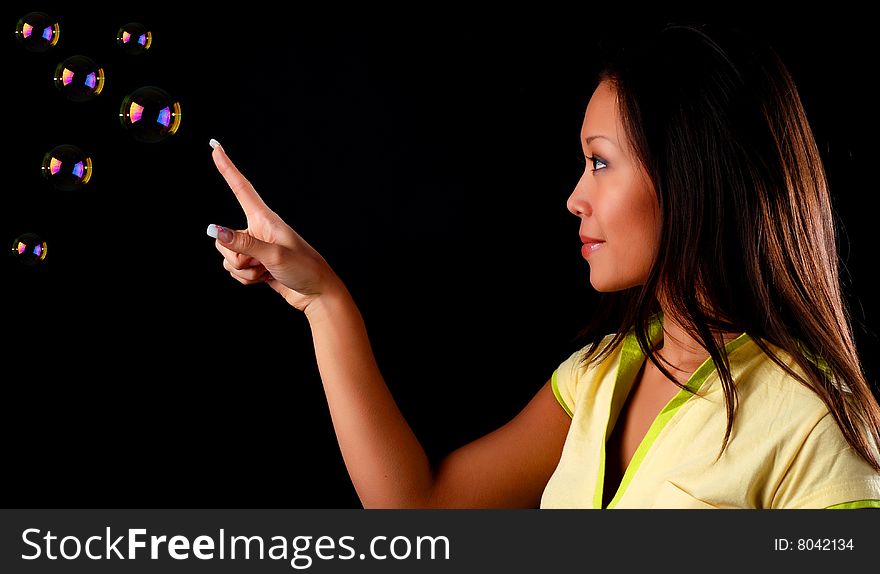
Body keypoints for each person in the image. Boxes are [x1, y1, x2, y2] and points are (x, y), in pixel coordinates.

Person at [204, 22, 880, 508]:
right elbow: (419, 515)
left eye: (600, 160)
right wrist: (323, 297)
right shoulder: (595, 379)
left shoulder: (814, 419)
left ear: (691, 174)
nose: (574, 197)